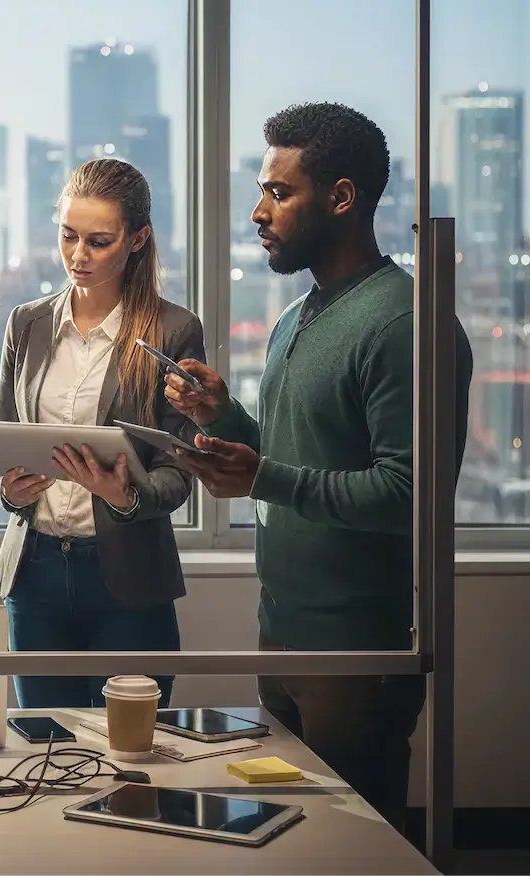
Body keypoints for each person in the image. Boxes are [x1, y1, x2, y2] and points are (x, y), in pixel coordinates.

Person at [164, 102, 473, 833]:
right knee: (291, 838)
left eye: (278, 192)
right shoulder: (297, 316)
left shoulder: (402, 323)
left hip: (357, 656)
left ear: (341, 197)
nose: (257, 212)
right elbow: (291, 454)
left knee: (356, 848)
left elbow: (409, 494)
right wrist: (223, 418)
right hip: (283, 635)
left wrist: (262, 476)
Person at [0, 158, 203, 709]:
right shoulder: (27, 324)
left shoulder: (173, 330)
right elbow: (1, 447)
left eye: (99, 241)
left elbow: (181, 471)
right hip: (34, 571)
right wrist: (7, 491)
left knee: (127, 755)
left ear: (138, 239)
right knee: (44, 751)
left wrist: (126, 496)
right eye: (68, 236)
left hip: (127, 577)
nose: (78, 256)